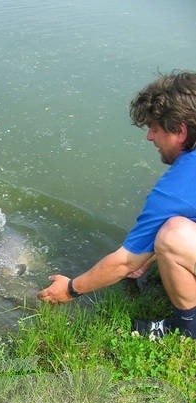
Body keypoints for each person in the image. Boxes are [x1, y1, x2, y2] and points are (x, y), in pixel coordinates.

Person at [37, 71, 196, 339]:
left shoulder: (176, 189)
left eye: (154, 129)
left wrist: (71, 288)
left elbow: (123, 263)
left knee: (173, 235)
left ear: (180, 131)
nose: (149, 138)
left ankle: (188, 328)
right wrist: (150, 252)